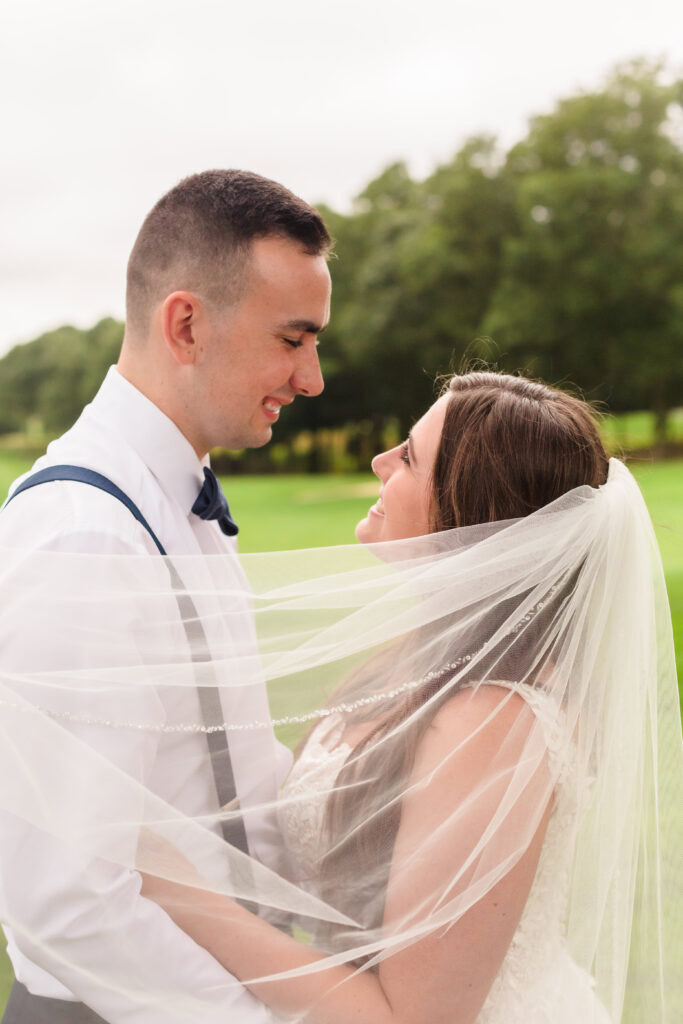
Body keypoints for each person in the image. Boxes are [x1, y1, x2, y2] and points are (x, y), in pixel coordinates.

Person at [132, 372, 681, 1023]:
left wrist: (173, 884)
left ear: (470, 512)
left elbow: (412, 1017)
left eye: (410, 457)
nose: (378, 462)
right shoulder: (422, 663)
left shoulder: (489, 723)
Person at [0, 169, 332, 1023]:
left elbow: (236, 781)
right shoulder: (84, 535)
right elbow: (70, 897)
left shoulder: (183, 502)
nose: (313, 379)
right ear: (186, 324)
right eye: (293, 340)